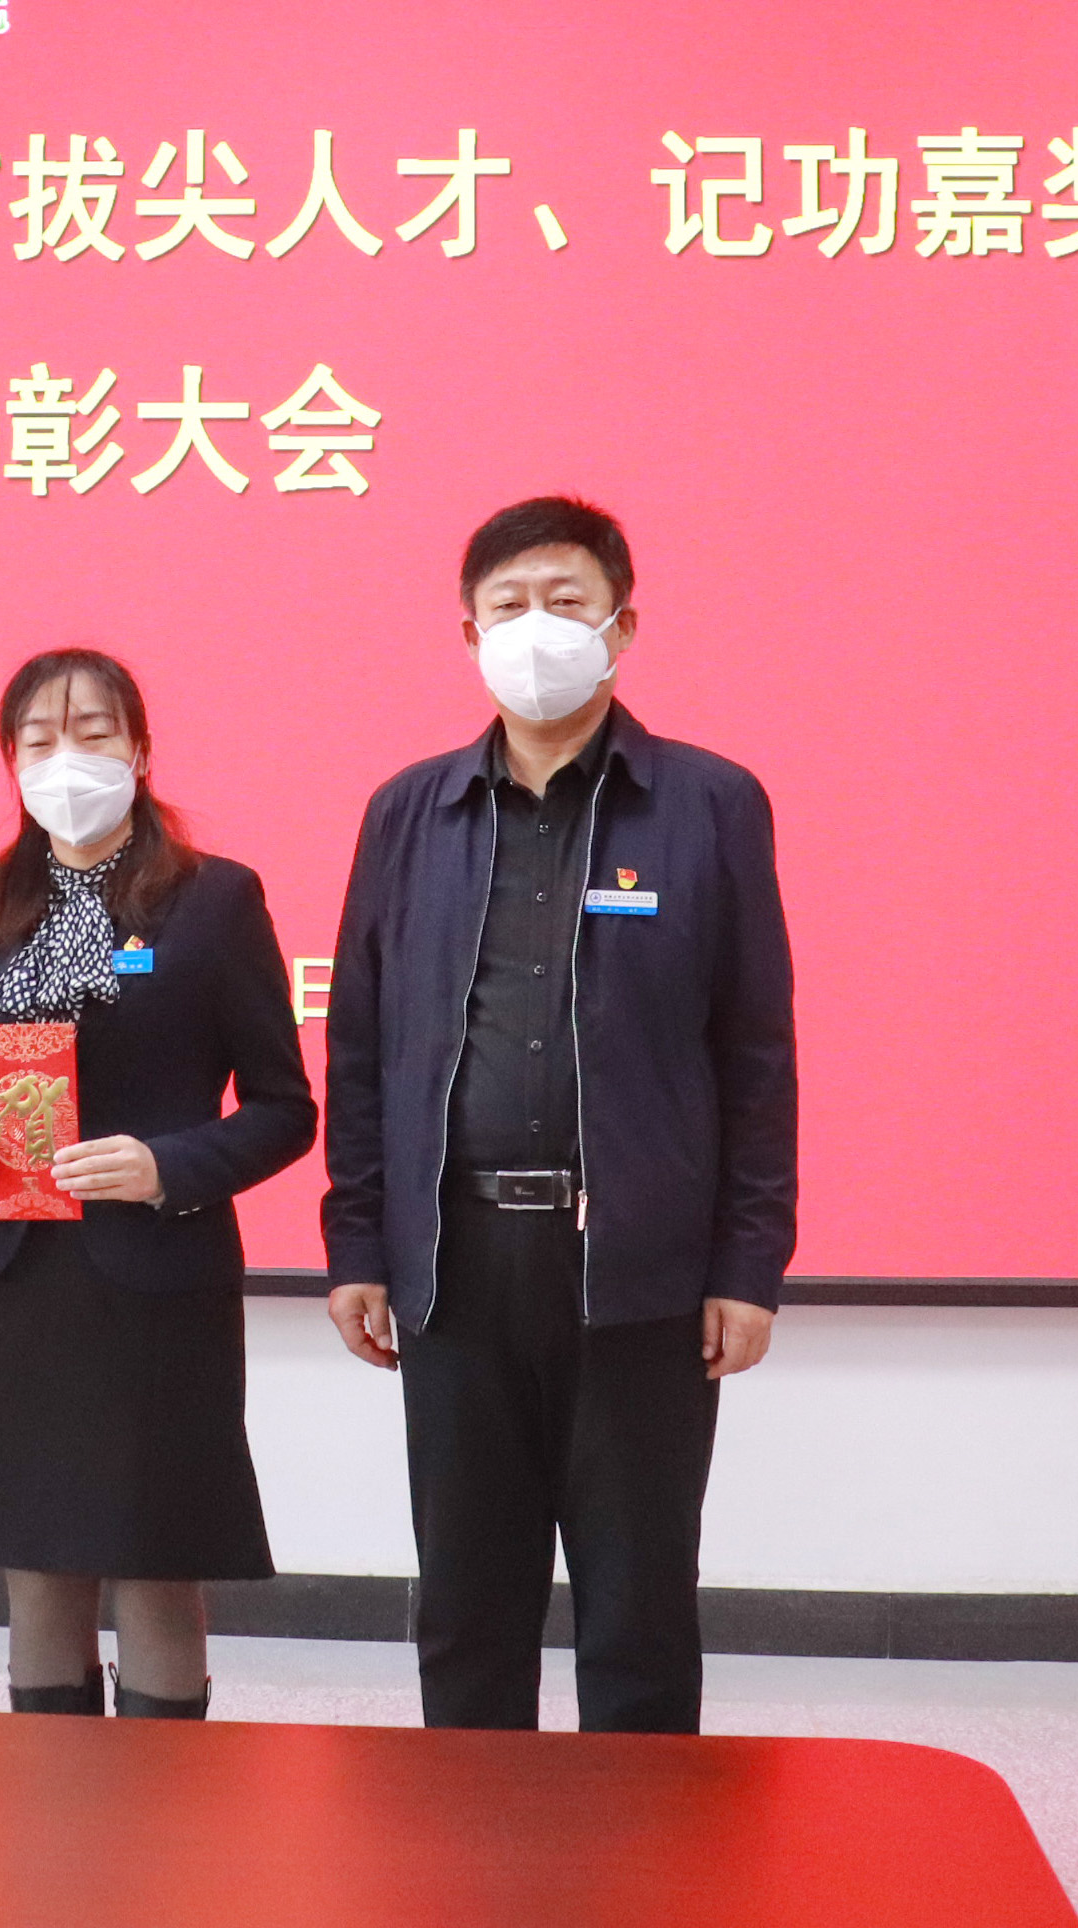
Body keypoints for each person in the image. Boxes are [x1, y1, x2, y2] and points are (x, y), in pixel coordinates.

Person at [319, 495, 796, 1734]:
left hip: (638, 1271)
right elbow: (362, 1049)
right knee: (466, 1607)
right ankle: (475, 1843)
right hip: (457, 1266)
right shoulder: (407, 813)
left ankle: (643, 1845)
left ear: (622, 626)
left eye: (567, 602)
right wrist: (357, 1244)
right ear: (469, 633)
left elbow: (754, 1053)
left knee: (639, 1610)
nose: (539, 627)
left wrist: (748, 1265)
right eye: (511, 605)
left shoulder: (709, 804)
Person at [0, 650, 313, 1720]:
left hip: (156, 1281)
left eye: (92, 733)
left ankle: (160, 1802)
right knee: (34, 1562)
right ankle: (51, 1799)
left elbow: (285, 1108)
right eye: (40, 740)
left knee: (154, 1561)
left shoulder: (212, 900)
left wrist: (167, 1167)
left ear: (139, 750)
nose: (67, 758)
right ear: (11, 761)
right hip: (17, 1279)